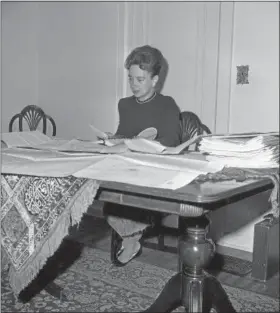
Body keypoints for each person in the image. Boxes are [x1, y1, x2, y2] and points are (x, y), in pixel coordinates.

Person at [106, 45, 181, 266]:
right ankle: (132, 237)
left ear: (155, 79)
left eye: (140, 79)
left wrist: (142, 144)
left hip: (154, 173)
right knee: (108, 201)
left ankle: (131, 240)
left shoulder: (167, 105)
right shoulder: (125, 105)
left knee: (131, 202)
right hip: (127, 170)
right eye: (131, 79)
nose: (133, 85)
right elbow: (124, 133)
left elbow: (171, 143)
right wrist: (114, 138)